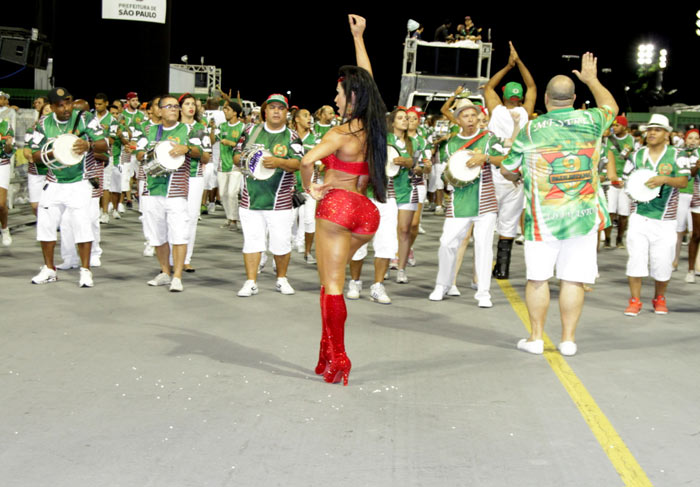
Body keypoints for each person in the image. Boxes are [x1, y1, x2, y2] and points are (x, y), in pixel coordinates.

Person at [501, 53, 618, 356]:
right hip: (583, 215)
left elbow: (508, 171)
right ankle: (568, 340)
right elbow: (612, 107)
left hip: (543, 219)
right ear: (575, 98)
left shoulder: (531, 129)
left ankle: (536, 338)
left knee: (538, 279)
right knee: (573, 279)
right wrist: (592, 79)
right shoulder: (592, 120)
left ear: (548, 99)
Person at [301, 14, 387, 385]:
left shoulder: (340, 132)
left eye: (338, 92)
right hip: (367, 212)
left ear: (351, 97)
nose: (334, 97)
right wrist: (359, 38)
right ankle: (326, 351)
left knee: (332, 285)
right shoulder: (375, 123)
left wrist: (310, 186)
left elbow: (306, 160)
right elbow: (367, 80)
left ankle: (339, 358)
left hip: (337, 206)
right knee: (329, 280)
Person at [428, 100, 506, 307]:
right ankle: (441, 284)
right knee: (446, 243)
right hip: (459, 202)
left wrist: (485, 157)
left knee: (483, 247)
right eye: (465, 116)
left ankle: (483, 293)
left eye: (474, 115)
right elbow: (447, 174)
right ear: (458, 119)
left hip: (485, 203)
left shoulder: (489, 138)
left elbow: (506, 159)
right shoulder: (450, 143)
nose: (471, 120)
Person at [30, 87, 108, 287]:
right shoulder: (43, 123)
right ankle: (49, 269)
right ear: (52, 107)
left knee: (82, 225)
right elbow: (34, 155)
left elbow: (104, 144)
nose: (66, 108)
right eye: (61, 105)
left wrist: (88, 145)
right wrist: (53, 151)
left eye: (68, 102)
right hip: (54, 181)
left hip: (79, 182)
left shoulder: (85, 118)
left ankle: (85, 270)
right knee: (45, 225)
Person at [619, 114, 691, 315]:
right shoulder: (636, 155)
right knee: (636, 259)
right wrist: (634, 191)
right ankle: (635, 300)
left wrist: (664, 179)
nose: (651, 133)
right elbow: (627, 181)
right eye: (650, 129)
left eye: (657, 129)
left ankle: (660, 297)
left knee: (662, 261)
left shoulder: (678, 155)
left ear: (666, 134)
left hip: (665, 219)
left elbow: (684, 182)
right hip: (639, 216)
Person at [234, 94, 303, 297]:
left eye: (280, 108)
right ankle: (250, 282)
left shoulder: (291, 136)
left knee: (281, 242)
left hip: (279, 200)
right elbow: (236, 155)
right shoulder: (250, 131)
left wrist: (279, 162)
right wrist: (248, 160)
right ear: (265, 111)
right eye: (272, 107)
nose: (275, 111)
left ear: (286, 113)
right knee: (252, 241)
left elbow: (298, 162)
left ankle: (281, 279)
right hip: (250, 198)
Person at [135, 95, 201, 292]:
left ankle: (178, 276)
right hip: (152, 188)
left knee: (179, 233)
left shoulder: (190, 130)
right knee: (158, 234)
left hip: (176, 190)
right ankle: (165, 271)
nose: (173, 109)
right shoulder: (149, 130)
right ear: (160, 110)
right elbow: (138, 153)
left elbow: (203, 154)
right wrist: (150, 152)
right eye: (168, 106)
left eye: (175, 106)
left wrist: (187, 149)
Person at [484, 41, 536, 280]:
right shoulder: (526, 112)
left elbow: (489, 86)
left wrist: (508, 65)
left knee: (485, 220)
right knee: (509, 223)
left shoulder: (496, 110)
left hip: (495, 172)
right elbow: (532, 84)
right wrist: (520, 61)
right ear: (521, 97)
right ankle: (502, 268)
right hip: (518, 175)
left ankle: (483, 265)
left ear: (504, 95)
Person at [179, 93, 212, 271]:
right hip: (172, 177)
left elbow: (206, 157)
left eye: (193, 104)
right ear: (180, 107)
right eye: (187, 103)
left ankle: (186, 258)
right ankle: (171, 257)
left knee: (191, 218)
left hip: (194, 176)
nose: (191, 107)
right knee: (173, 217)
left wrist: (190, 150)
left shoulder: (200, 128)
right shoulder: (172, 127)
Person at [606, 115, 635, 248]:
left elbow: (634, 161)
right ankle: (607, 239)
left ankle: (619, 239)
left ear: (624, 126)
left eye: (617, 125)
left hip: (625, 180)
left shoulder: (631, 140)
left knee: (624, 213)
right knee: (610, 211)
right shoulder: (608, 140)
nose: (614, 128)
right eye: (613, 125)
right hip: (611, 180)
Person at [216, 100, 245, 229]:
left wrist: (231, 143)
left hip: (236, 165)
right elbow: (212, 140)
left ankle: (234, 220)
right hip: (223, 163)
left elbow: (246, 146)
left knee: (232, 192)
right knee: (222, 193)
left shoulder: (243, 127)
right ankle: (229, 217)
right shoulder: (221, 126)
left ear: (235, 112)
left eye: (227, 109)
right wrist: (212, 129)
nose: (224, 111)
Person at [685, 130, 700, 283]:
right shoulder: (697, 153)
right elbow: (690, 174)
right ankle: (690, 270)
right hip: (699, 195)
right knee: (696, 234)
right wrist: (697, 166)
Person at [0, 117, 14, 245]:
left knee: (1, 203)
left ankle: (4, 228)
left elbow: (8, 151)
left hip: (1, 164)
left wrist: (8, 145)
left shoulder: (5, 124)